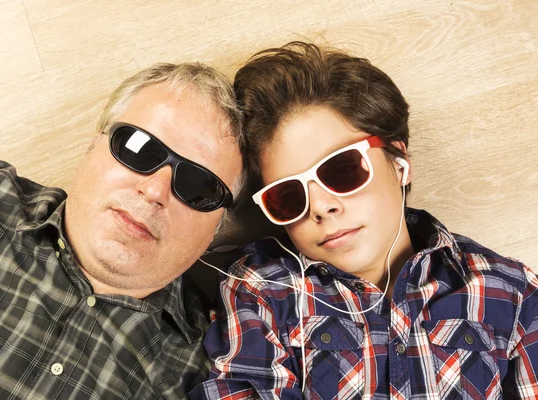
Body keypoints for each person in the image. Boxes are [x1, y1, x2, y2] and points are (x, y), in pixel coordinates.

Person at [190, 42, 538, 399]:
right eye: (289, 196)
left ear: (399, 162)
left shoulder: (509, 291)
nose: (321, 207)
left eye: (341, 170)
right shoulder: (261, 293)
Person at [0, 62, 245, 399]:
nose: (155, 191)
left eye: (199, 186)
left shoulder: (209, 377)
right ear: (92, 144)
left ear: (217, 227)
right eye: (138, 148)